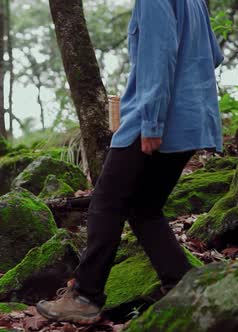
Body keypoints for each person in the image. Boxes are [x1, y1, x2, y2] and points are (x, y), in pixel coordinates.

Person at [36, 0, 224, 324]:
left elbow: (158, 56)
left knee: (105, 203)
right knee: (144, 208)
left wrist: (151, 121)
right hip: (194, 120)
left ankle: (84, 296)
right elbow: (214, 56)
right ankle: (182, 284)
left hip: (156, 122)